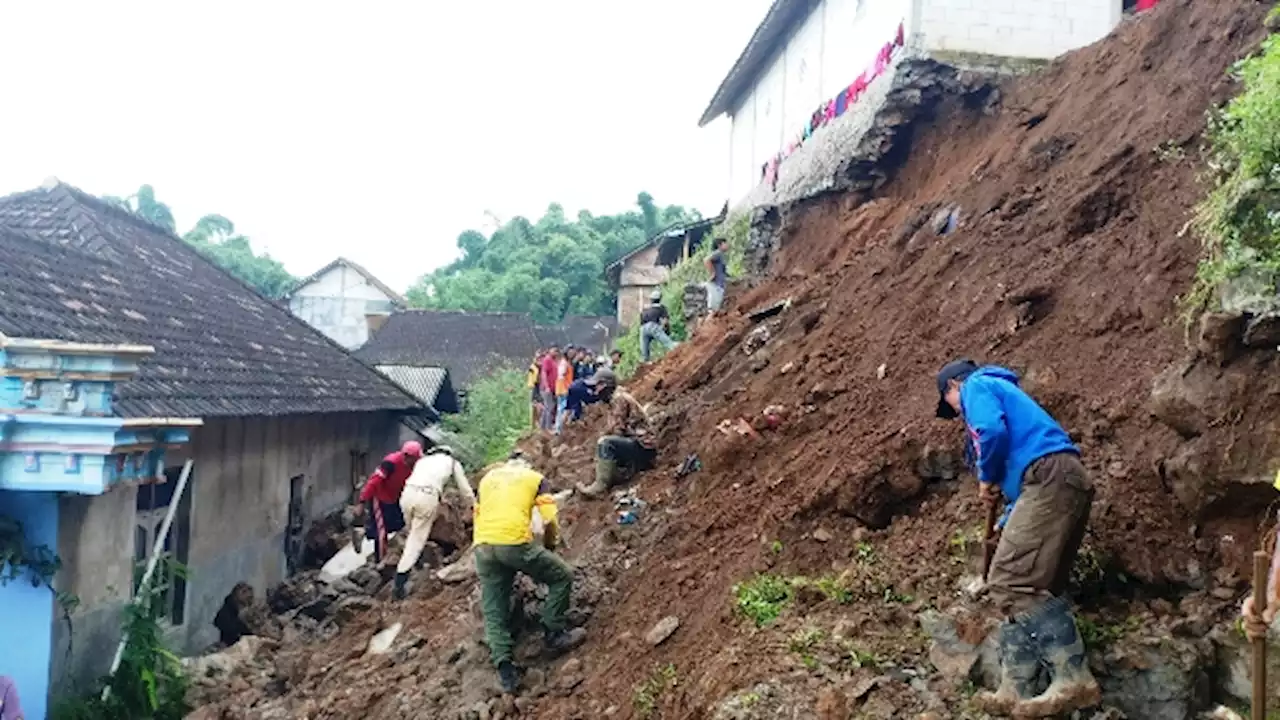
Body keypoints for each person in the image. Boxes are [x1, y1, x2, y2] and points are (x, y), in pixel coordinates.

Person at [935, 359, 1100, 717]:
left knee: (1011, 580)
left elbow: (991, 432)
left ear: (952, 388)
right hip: (1053, 481)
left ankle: (1074, 676)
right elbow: (1023, 482)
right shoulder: (1003, 393)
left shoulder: (976, 386)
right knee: (1031, 586)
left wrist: (985, 476)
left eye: (947, 401)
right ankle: (1018, 685)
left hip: (1049, 478)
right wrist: (1007, 520)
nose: (954, 411)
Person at [473, 453, 585, 694]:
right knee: (562, 576)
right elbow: (550, 520)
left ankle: (505, 668)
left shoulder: (487, 479)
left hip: (483, 545)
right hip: (513, 542)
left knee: (494, 607)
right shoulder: (536, 479)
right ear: (525, 466)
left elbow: (478, 514)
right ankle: (554, 631)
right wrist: (550, 547)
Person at [394, 445, 476, 599]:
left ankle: (415, 562)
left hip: (407, 494)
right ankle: (399, 583)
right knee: (416, 539)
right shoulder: (452, 463)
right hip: (426, 497)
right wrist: (474, 504)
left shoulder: (423, 461)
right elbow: (464, 489)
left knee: (411, 532)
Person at [576, 373, 656, 498]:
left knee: (605, 443)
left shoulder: (619, 399)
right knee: (605, 445)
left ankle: (601, 487)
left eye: (597, 386)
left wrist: (600, 450)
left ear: (606, 385)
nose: (595, 391)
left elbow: (617, 430)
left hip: (643, 446)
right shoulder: (614, 399)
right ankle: (615, 475)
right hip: (637, 443)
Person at [358, 440, 424, 563]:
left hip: (396, 498)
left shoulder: (415, 466)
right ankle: (380, 563)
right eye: (415, 459)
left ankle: (364, 533)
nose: (417, 462)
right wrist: (362, 501)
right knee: (381, 532)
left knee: (400, 524)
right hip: (380, 497)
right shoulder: (390, 463)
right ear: (407, 456)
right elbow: (374, 481)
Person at [639, 291, 677, 362]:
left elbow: (641, 319)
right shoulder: (661, 308)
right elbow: (665, 321)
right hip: (653, 327)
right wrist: (664, 330)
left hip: (643, 328)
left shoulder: (646, 308)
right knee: (668, 343)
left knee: (644, 351)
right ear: (660, 298)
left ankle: (645, 362)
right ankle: (679, 347)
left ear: (651, 299)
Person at [554, 347, 576, 434]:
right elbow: (561, 376)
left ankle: (560, 428)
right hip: (563, 389)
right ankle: (558, 429)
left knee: (563, 409)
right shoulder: (564, 363)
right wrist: (566, 388)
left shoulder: (567, 363)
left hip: (565, 388)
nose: (572, 354)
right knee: (562, 409)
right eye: (570, 352)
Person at [705, 237, 729, 313]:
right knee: (713, 310)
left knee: (716, 309)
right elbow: (706, 260)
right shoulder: (718, 253)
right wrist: (713, 273)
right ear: (719, 245)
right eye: (725, 243)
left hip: (720, 284)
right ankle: (708, 324)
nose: (727, 245)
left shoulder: (721, 255)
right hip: (716, 285)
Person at [539, 347, 560, 431]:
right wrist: (546, 386)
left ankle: (543, 427)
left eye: (557, 351)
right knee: (550, 407)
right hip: (546, 388)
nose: (556, 352)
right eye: (554, 350)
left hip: (552, 388)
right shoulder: (547, 360)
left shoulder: (554, 361)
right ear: (549, 350)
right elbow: (544, 373)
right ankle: (548, 427)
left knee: (547, 407)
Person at [527, 351, 544, 430]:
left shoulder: (543, 367)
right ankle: (534, 426)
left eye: (541, 358)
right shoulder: (533, 367)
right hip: (535, 387)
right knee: (535, 406)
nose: (540, 360)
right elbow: (531, 379)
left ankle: (538, 425)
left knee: (540, 407)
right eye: (538, 358)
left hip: (541, 387)